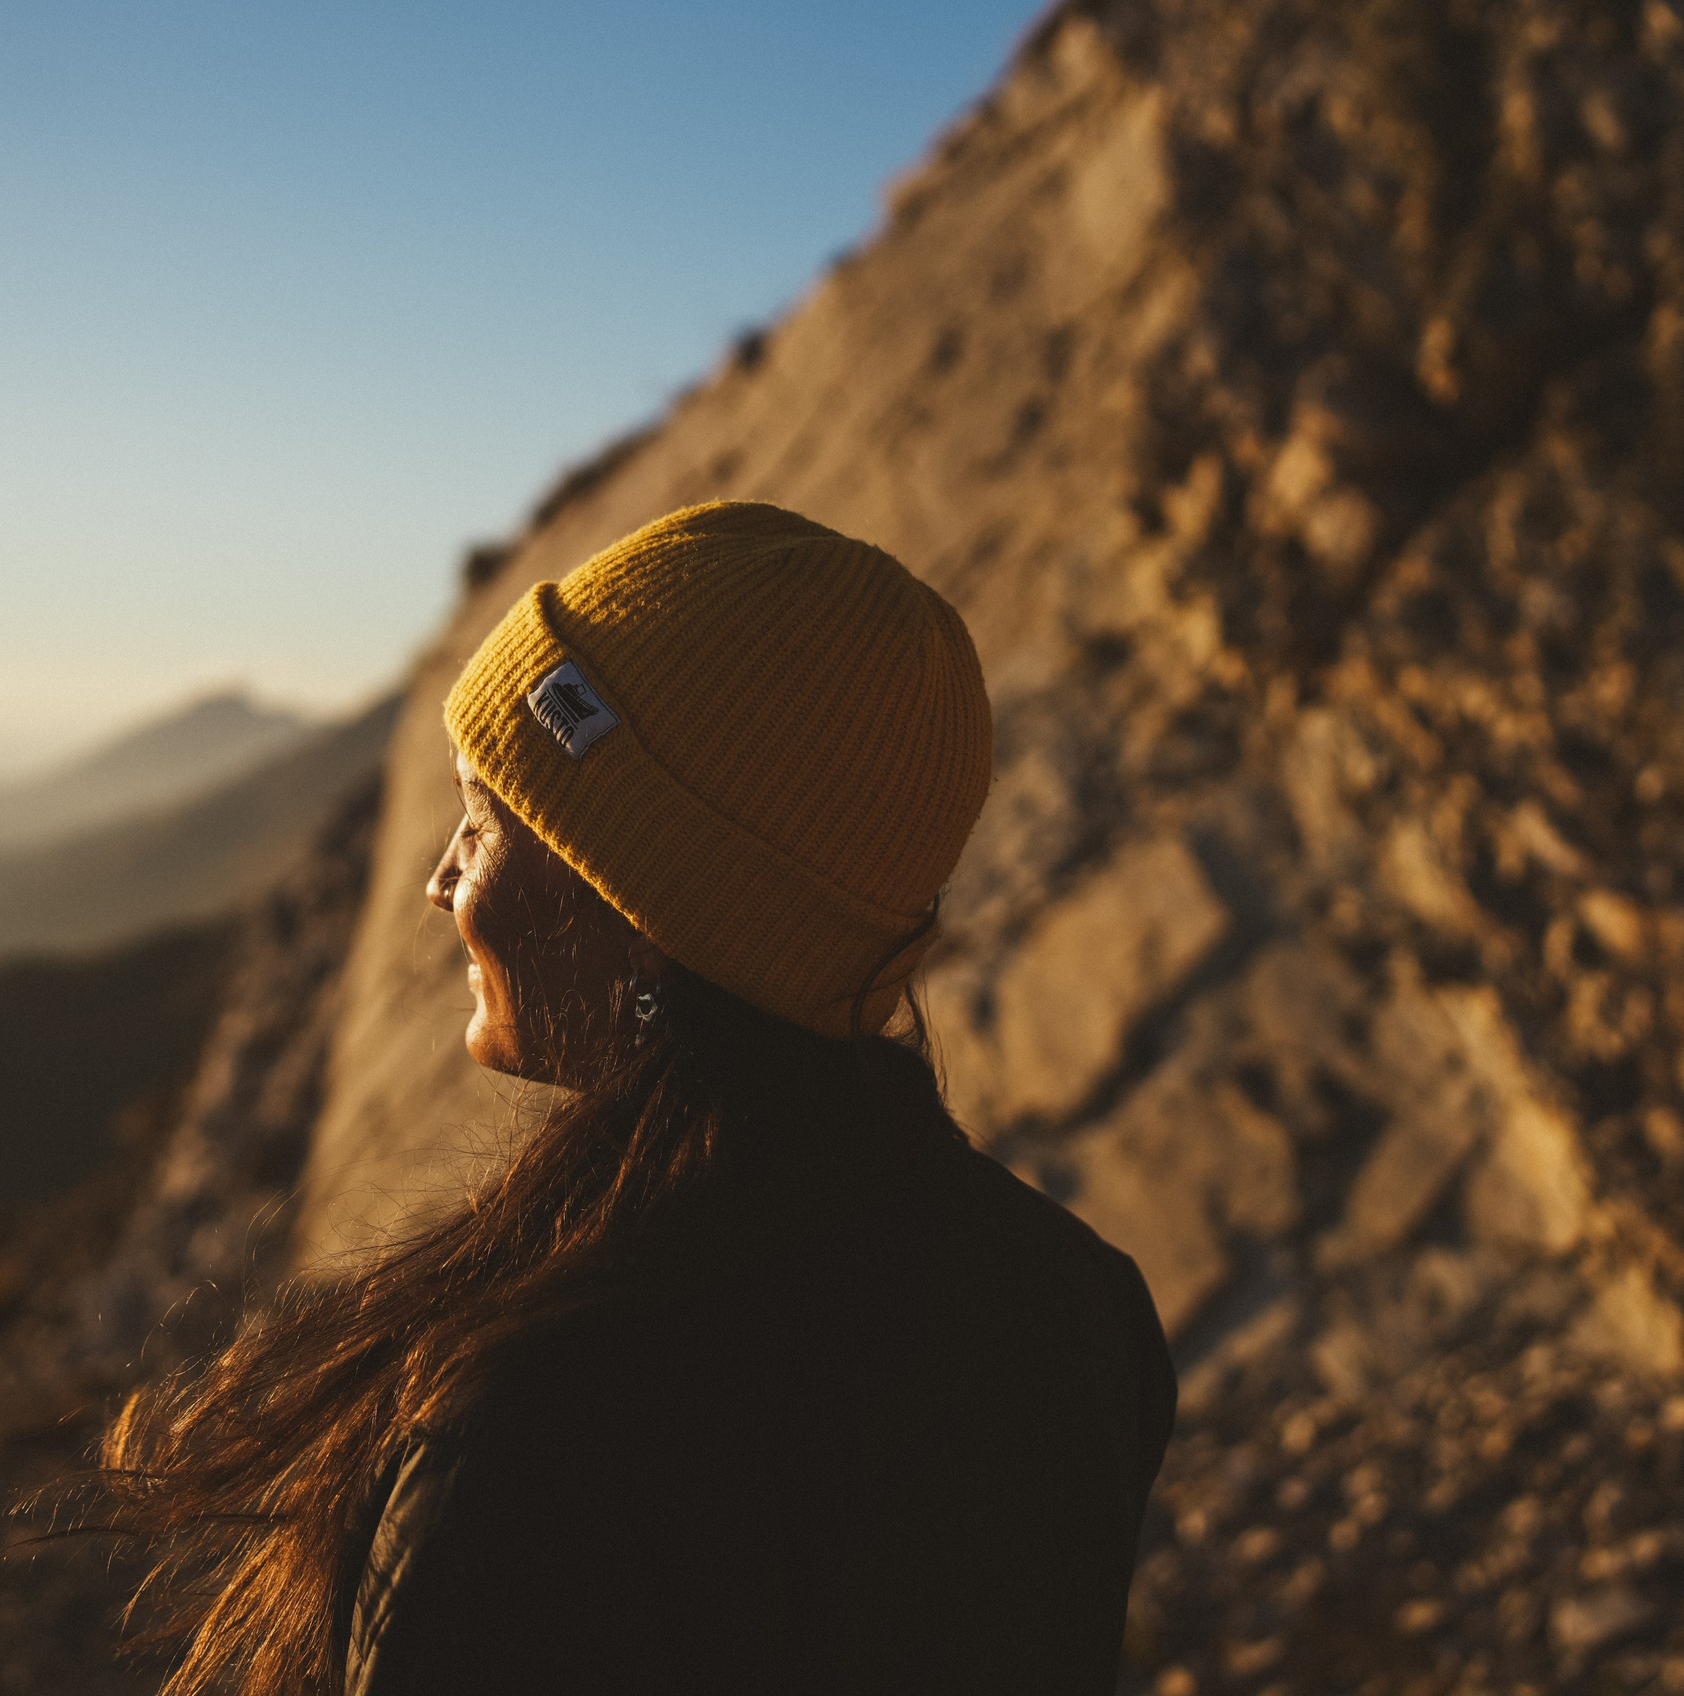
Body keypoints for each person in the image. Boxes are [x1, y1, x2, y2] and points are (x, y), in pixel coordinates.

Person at [80, 501, 1175, 1696]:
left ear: (647, 905)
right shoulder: (1078, 1308)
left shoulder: (544, 1419)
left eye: (483, 820)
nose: (440, 881)